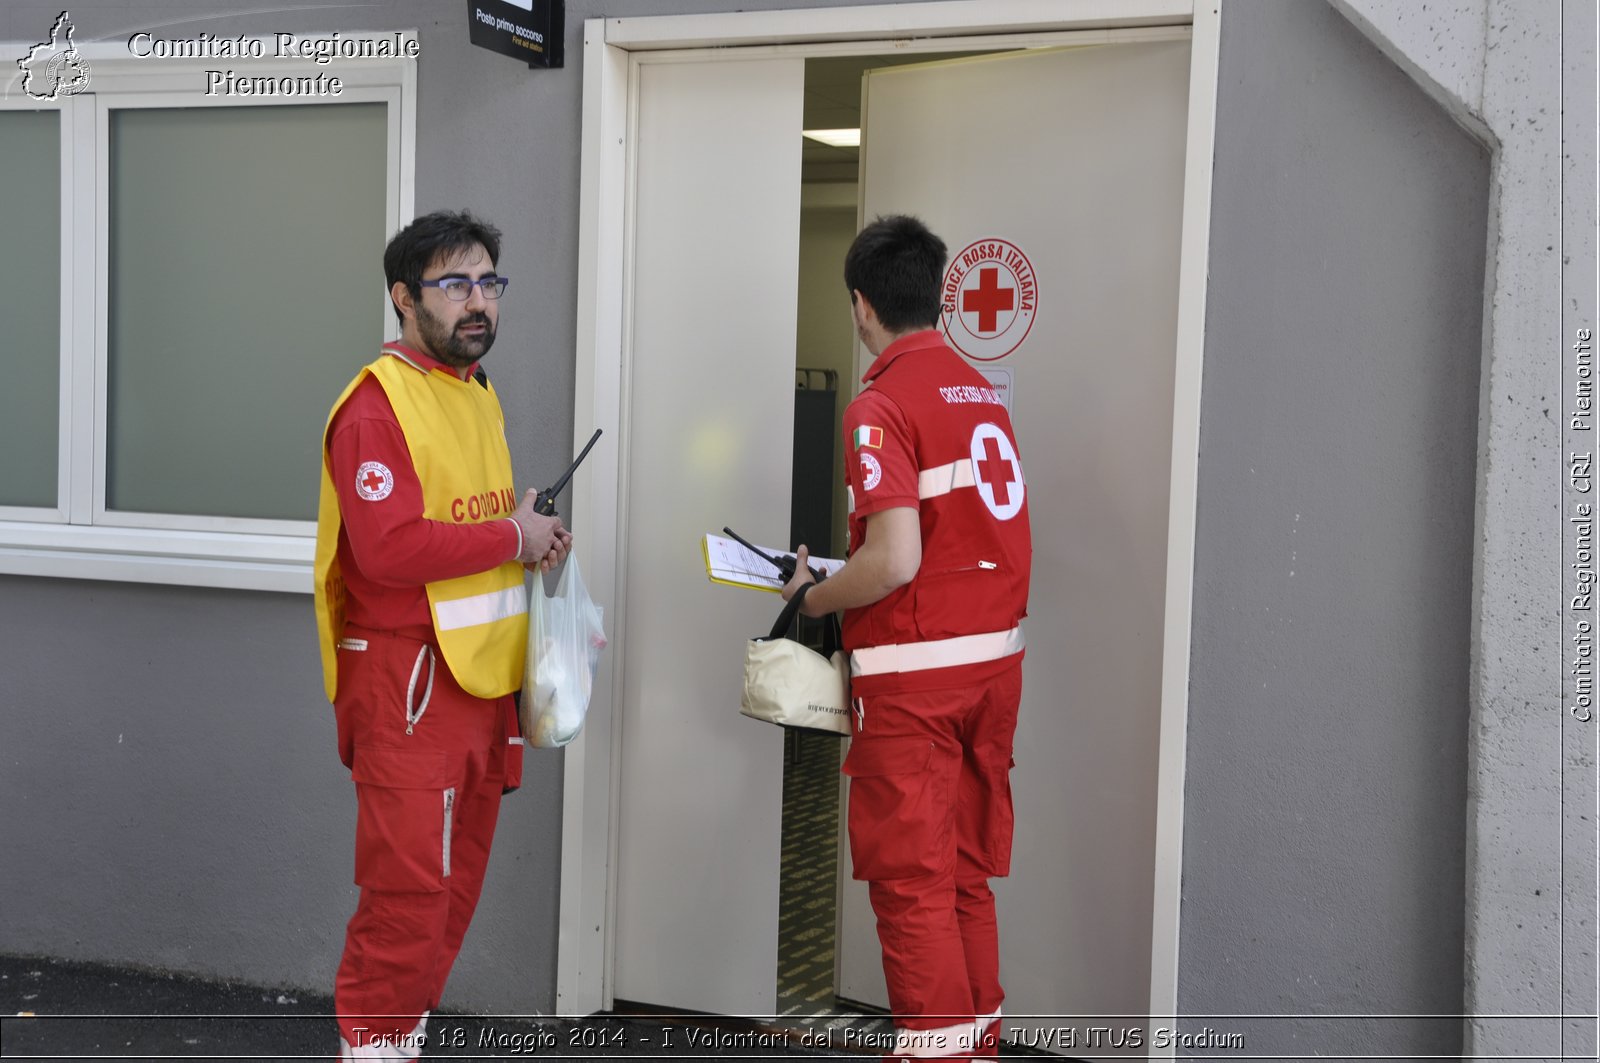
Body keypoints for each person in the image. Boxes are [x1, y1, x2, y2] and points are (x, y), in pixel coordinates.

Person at [312, 210, 571, 1060]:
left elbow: (474, 524)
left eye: (489, 283)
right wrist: (511, 537)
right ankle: (374, 1045)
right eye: (455, 284)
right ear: (402, 298)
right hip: (408, 685)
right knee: (407, 893)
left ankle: (400, 1040)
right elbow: (387, 549)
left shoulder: (475, 391)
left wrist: (527, 531)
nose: (478, 303)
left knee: (450, 891)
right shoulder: (375, 406)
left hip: (477, 685)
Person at [782, 215, 1032, 1062]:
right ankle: (976, 1046)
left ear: (861, 305)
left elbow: (892, 559)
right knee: (964, 875)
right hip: (991, 672)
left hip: (915, 686)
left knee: (912, 888)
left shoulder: (879, 404)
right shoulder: (978, 390)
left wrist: (817, 594)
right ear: (934, 294)